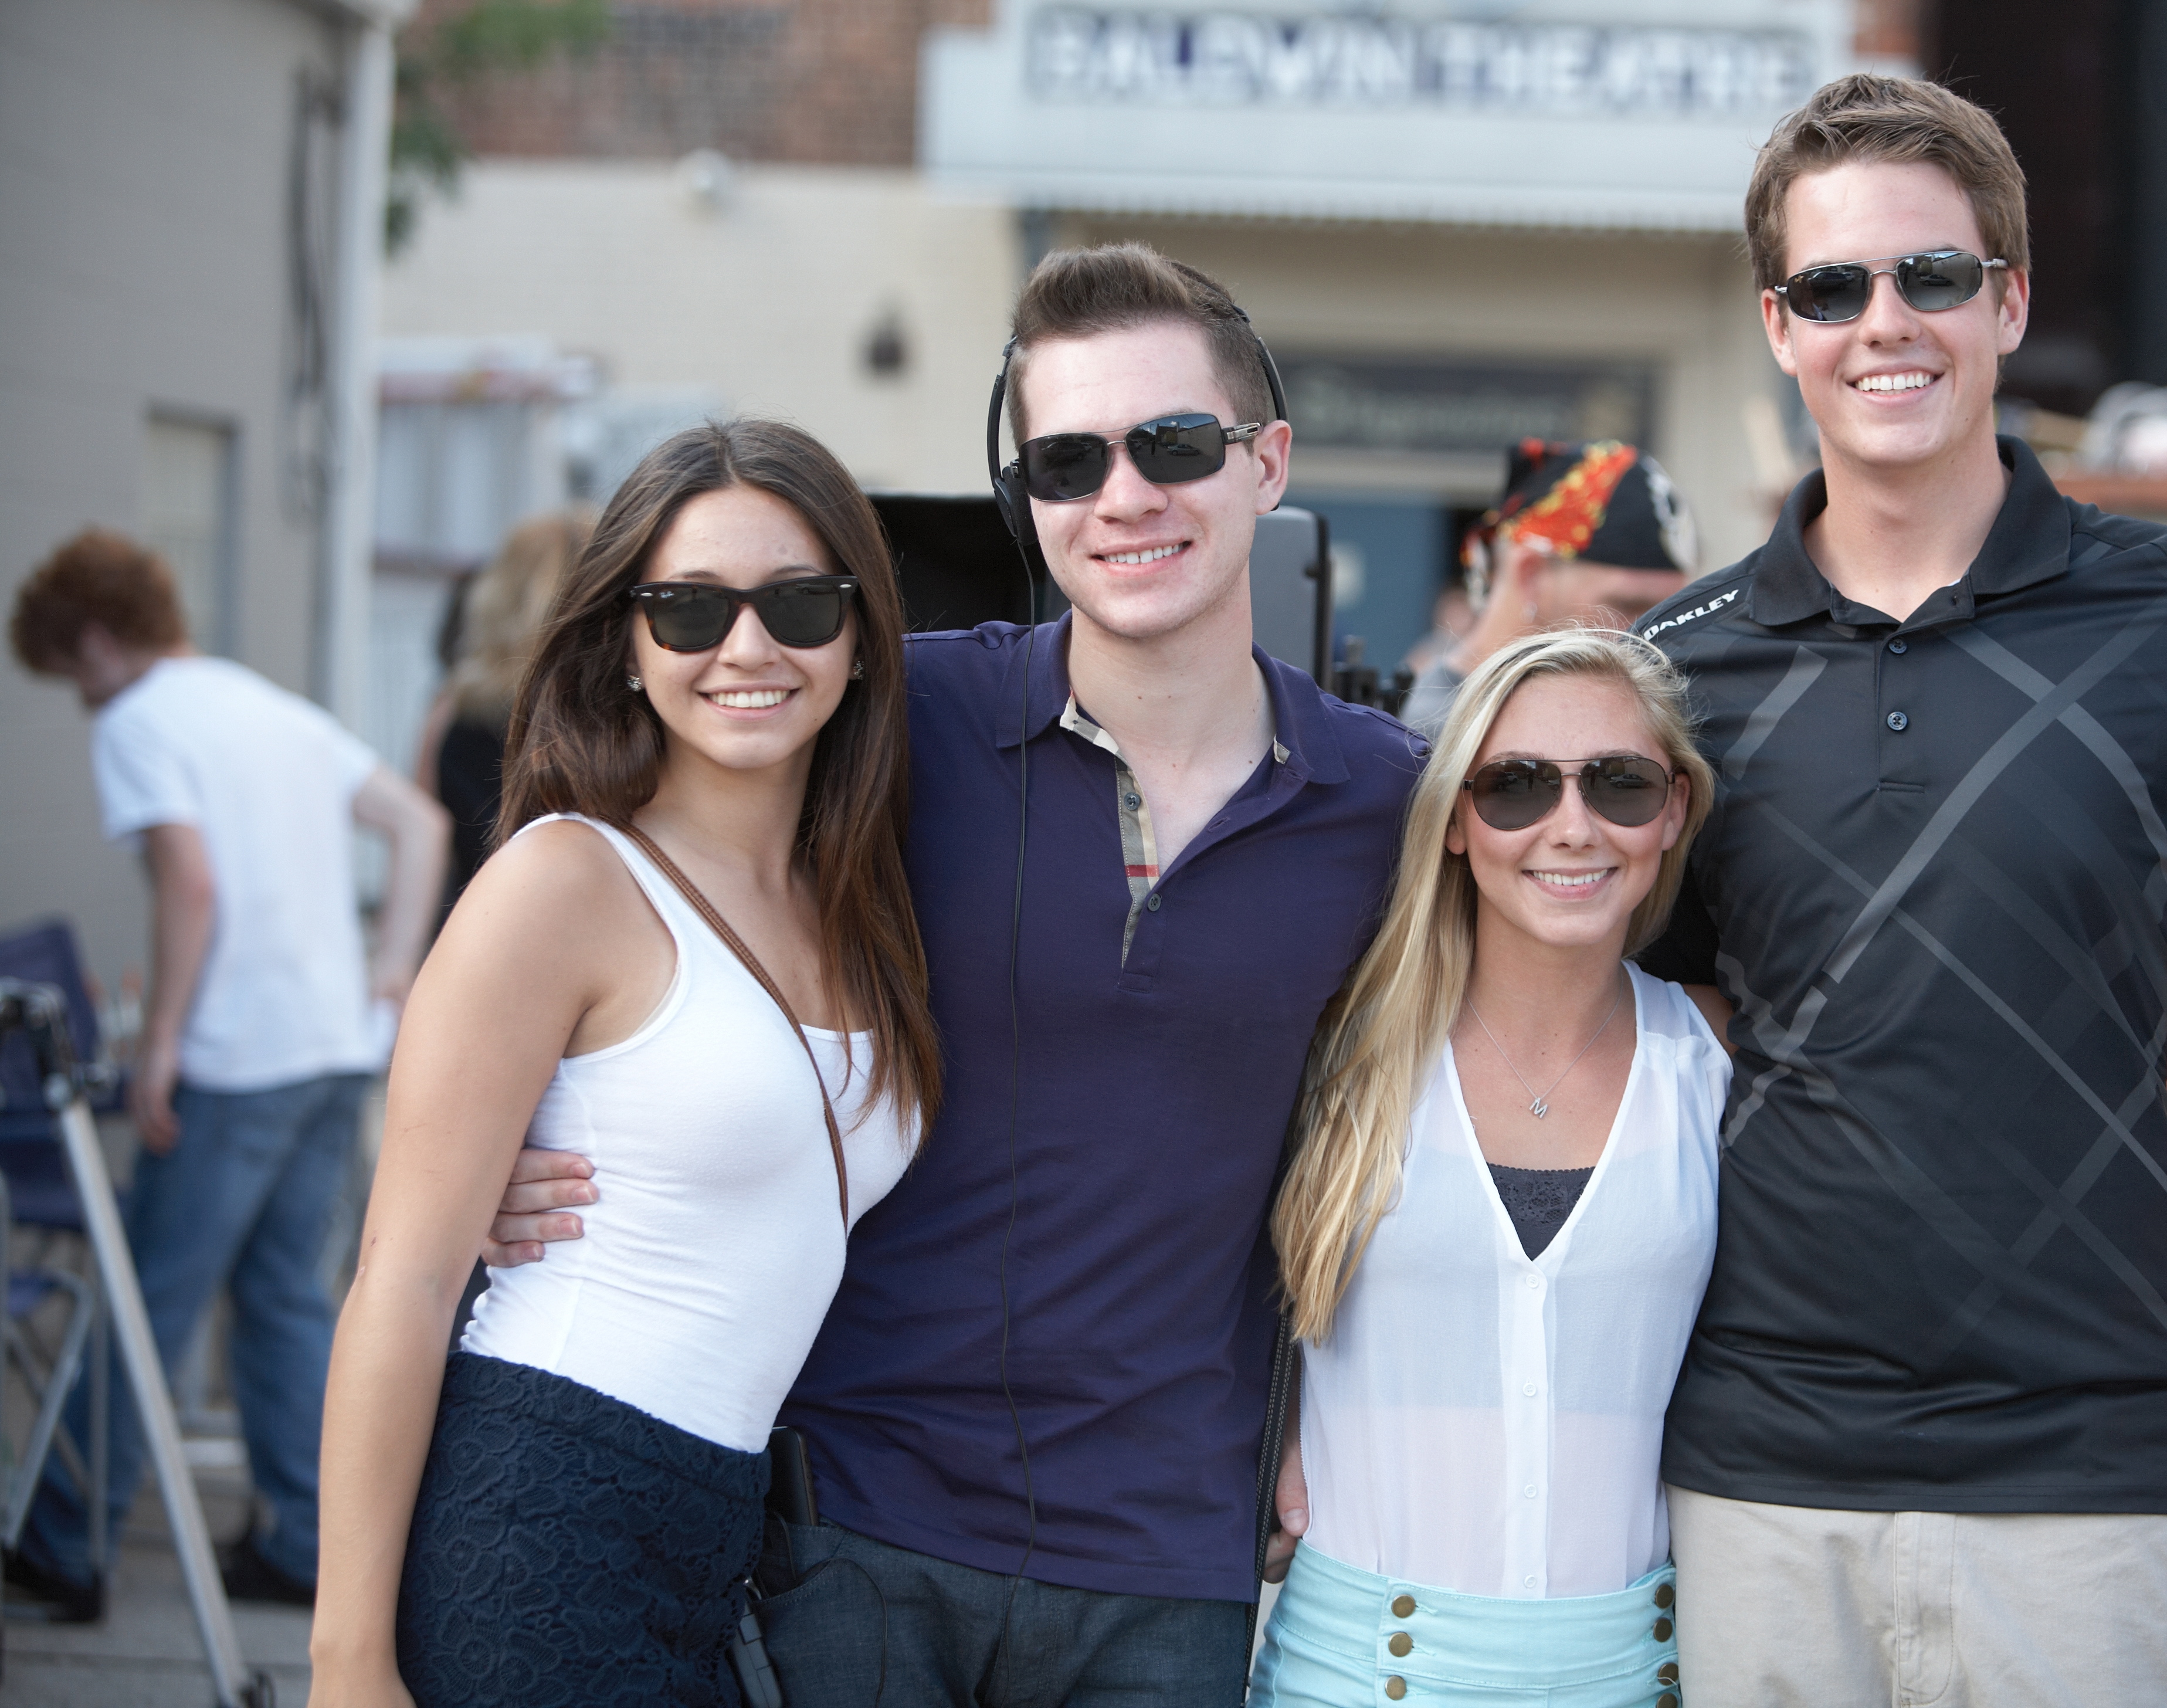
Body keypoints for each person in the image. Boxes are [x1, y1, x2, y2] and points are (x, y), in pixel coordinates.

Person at [1632, 74, 2167, 1703]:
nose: (1885, 322)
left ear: (2009, 302)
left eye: (1932, 276)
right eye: (1834, 287)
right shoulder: (1677, 673)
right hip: (1753, 1483)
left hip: (2103, 1487)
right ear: (1778, 324)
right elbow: (1654, 1031)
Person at [481, 246, 1426, 1704]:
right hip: (854, 1524)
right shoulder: (892, 720)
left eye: (1173, 444)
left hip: (1164, 1560)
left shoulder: (1389, 802)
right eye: (1067, 459)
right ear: (1027, 497)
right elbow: (624, 868)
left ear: (1267, 463)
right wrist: (508, 1138)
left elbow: (1449, 1109)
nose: (1124, 496)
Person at [307, 420, 938, 1705]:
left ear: (864, 636)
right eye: (690, 608)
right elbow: (403, 1280)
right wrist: (346, 1658)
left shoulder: (861, 904)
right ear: (628, 644)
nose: (747, 648)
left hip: (719, 1541)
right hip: (543, 1505)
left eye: (799, 603)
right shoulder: (563, 878)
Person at [1256, 627, 1723, 1704]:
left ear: (1672, 812)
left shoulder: (1721, 1059)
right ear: (1457, 820)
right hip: (1348, 1671)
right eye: (1514, 786)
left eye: (1618, 783)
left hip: (1638, 1672)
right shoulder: (1331, 1047)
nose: (1569, 826)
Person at [4, 530, 448, 1618]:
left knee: (150, 1293)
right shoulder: (263, 704)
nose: (79, 696)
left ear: (96, 641)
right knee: (287, 1302)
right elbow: (420, 820)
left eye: (70, 671)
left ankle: (66, 1541)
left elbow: (189, 885)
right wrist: (391, 968)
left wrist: (159, 1041)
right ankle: (306, 1544)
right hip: (334, 1049)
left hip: (239, 1057)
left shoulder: (138, 718)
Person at [1399, 439, 1698, 737]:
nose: (1657, 634)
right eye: (1628, 606)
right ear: (1532, 576)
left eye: (1674, 610)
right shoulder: (1430, 743)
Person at [410, 511, 591, 923]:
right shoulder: (614, 713)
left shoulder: (452, 708)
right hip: (586, 938)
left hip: (475, 931)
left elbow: (425, 832)